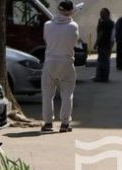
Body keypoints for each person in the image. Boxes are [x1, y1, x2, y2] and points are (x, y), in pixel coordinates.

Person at [41, 0, 80, 133]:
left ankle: (47, 123)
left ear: (58, 10)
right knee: (67, 94)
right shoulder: (73, 26)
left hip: (50, 61)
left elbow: (46, 40)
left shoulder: (47, 25)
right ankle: (64, 123)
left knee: (47, 94)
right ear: (70, 11)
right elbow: (74, 41)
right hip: (66, 62)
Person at [94, 8, 115, 82]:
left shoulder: (104, 22)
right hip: (107, 44)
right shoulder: (111, 22)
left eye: (102, 13)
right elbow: (113, 35)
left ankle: (101, 77)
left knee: (102, 61)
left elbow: (100, 33)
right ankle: (101, 77)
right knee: (104, 60)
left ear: (106, 13)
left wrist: (96, 43)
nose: (100, 14)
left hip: (103, 44)